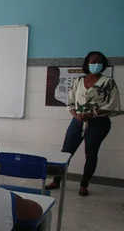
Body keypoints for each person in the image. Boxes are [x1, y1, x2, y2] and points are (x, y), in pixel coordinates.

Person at [46, 51, 121, 196]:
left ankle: (84, 184)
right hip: (77, 122)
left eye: (98, 62)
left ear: (103, 64)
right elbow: (70, 101)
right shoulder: (79, 80)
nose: (95, 64)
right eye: (92, 62)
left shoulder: (108, 82)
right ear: (87, 63)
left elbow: (113, 104)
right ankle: (57, 180)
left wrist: (92, 114)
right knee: (66, 151)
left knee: (91, 153)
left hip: (98, 123)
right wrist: (75, 114)